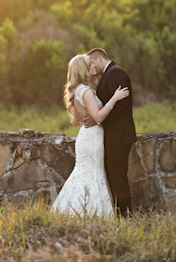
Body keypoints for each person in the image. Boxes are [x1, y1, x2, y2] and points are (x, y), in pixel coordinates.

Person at [51, 54, 129, 218]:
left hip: (85, 137)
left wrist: (93, 94)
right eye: (89, 65)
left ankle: (73, 211)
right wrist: (114, 98)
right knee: (93, 175)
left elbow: (75, 121)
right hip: (93, 139)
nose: (93, 66)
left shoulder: (78, 91)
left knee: (84, 174)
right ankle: (89, 214)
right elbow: (99, 117)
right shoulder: (86, 91)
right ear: (83, 70)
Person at [84, 48, 137, 217]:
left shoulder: (115, 73)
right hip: (114, 135)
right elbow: (108, 100)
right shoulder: (108, 75)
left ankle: (126, 215)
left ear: (99, 58)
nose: (91, 67)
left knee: (118, 177)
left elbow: (121, 105)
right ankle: (120, 214)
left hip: (119, 135)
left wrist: (99, 118)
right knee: (114, 176)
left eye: (91, 63)